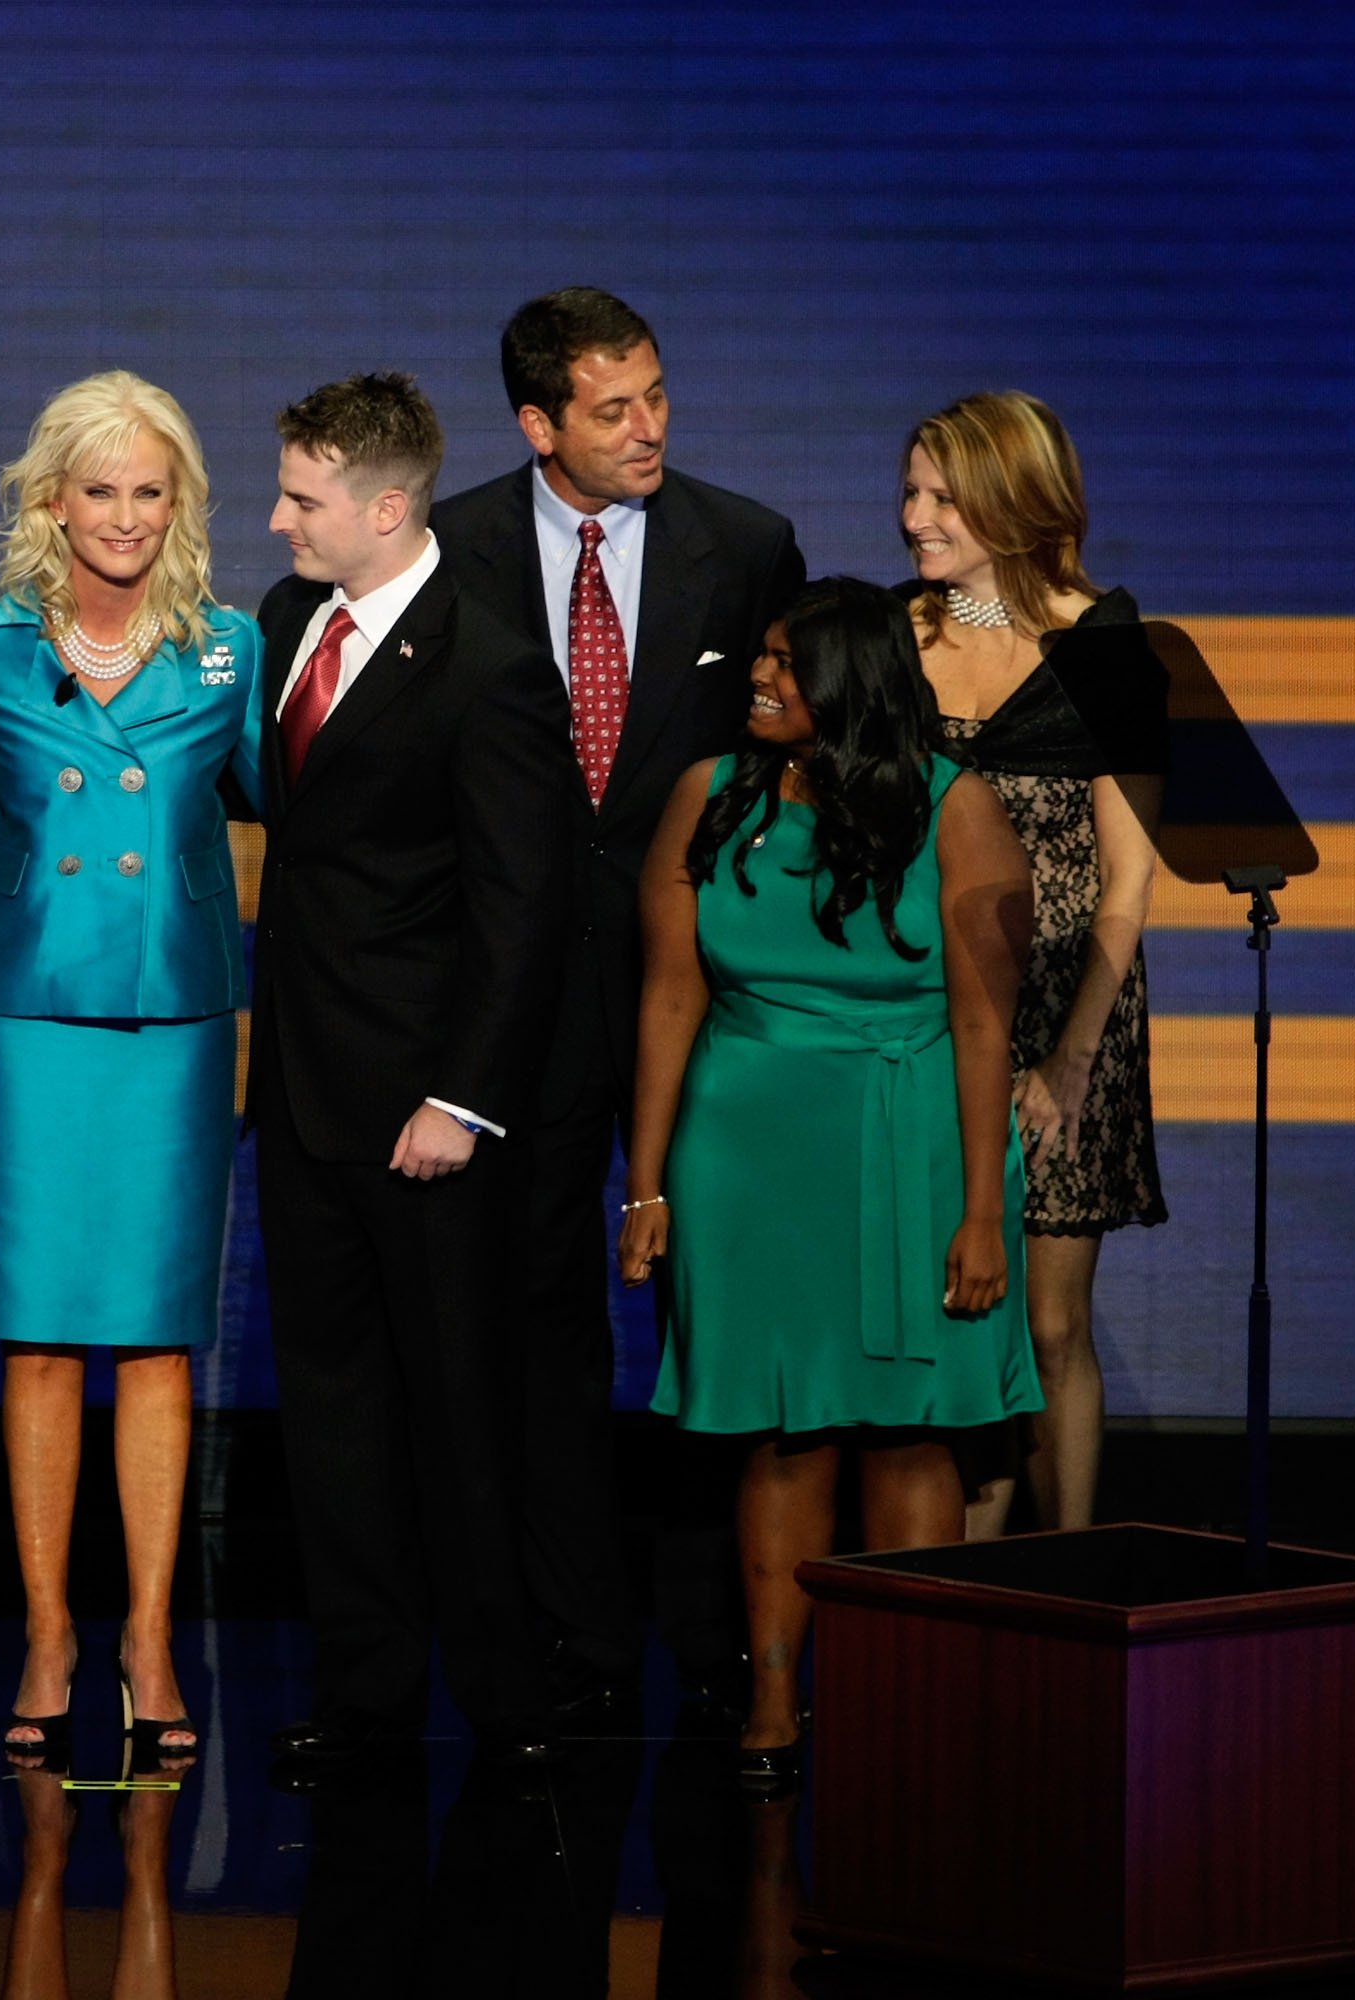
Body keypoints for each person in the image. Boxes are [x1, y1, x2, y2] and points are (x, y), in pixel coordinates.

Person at [432, 286, 806, 1728]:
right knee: (538, 1319)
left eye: (655, 394)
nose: (648, 427)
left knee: (713, 1319)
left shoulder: (748, 547)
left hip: (699, 1005)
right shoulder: (452, 551)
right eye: (612, 408)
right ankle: (567, 1626)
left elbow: (778, 771)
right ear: (539, 425)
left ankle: (713, 1627)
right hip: (513, 1004)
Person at [615, 578, 1041, 1790]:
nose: (759, 676)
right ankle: (773, 1694)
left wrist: (976, 1209)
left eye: (786, 663)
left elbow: (978, 1025)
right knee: (783, 1434)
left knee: (911, 1436)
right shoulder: (710, 798)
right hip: (749, 1158)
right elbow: (668, 998)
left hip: (911, 1145)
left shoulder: (958, 811)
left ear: (849, 688)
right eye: (759, 653)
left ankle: (906, 1692)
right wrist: (642, 1182)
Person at [250, 372, 578, 1773]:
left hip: (425, 1116)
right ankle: (367, 1691)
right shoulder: (287, 623)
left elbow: (526, 907)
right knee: (332, 1409)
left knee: (458, 1409)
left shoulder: (491, 665)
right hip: (308, 1100)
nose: (275, 524)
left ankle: (504, 1697)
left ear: (389, 508)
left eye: (303, 501)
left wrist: (461, 1099)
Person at [0, 373, 266, 1764]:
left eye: (151, 490)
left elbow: (308, 809)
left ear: (177, 503)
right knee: (38, 1335)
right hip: (24, 1022)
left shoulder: (233, 651)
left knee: (152, 1337)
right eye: (100, 489)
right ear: (49, 499)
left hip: (169, 1028)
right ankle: (46, 1630)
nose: (124, 517)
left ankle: (145, 1632)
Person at [899, 392, 1170, 1537]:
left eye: (942, 496)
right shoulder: (905, 635)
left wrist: (1067, 1059)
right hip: (936, 1004)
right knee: (970, 1318)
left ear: (1013, 500)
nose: (915, 517)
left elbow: (1129, 881)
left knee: (1053, 1325)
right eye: (909, 491)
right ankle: (967, 1597)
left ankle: (1072, 1578)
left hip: (1072, 1010)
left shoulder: (1104, 642)